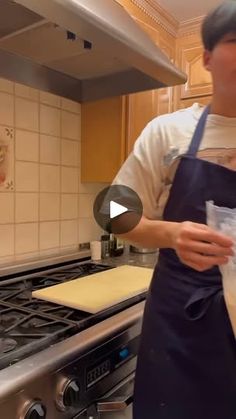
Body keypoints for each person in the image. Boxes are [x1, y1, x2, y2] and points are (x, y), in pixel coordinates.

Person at [112, 1, 236, 418]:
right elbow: (112, 211)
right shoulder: (169, 132)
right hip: (180, 330)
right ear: (206, 59)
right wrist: (170, 234)